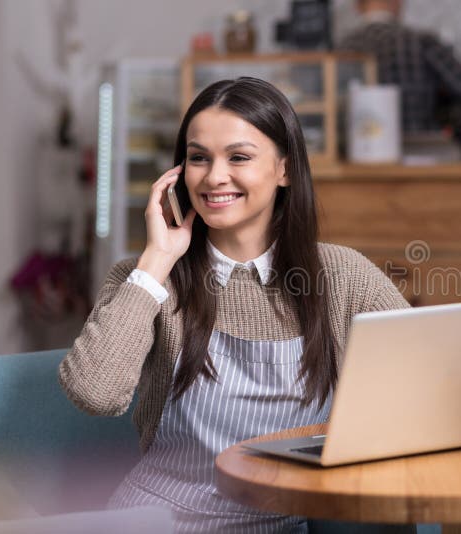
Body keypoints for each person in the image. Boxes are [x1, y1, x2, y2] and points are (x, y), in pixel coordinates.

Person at [58, 77, 410, 533]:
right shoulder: (145, 277)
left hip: (286, 522)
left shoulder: (342, 276)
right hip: (160, 519)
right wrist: (158, 260)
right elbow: (94, 393)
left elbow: (430, 382)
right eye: (198, 157)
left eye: (238, 157)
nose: (214, 176)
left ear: (284, 169)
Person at [338, 0, 461, 133]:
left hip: (354, 161)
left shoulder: (341, 48)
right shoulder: (421, 41)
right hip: (421, 155)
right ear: (398, 2)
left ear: (357, 6)